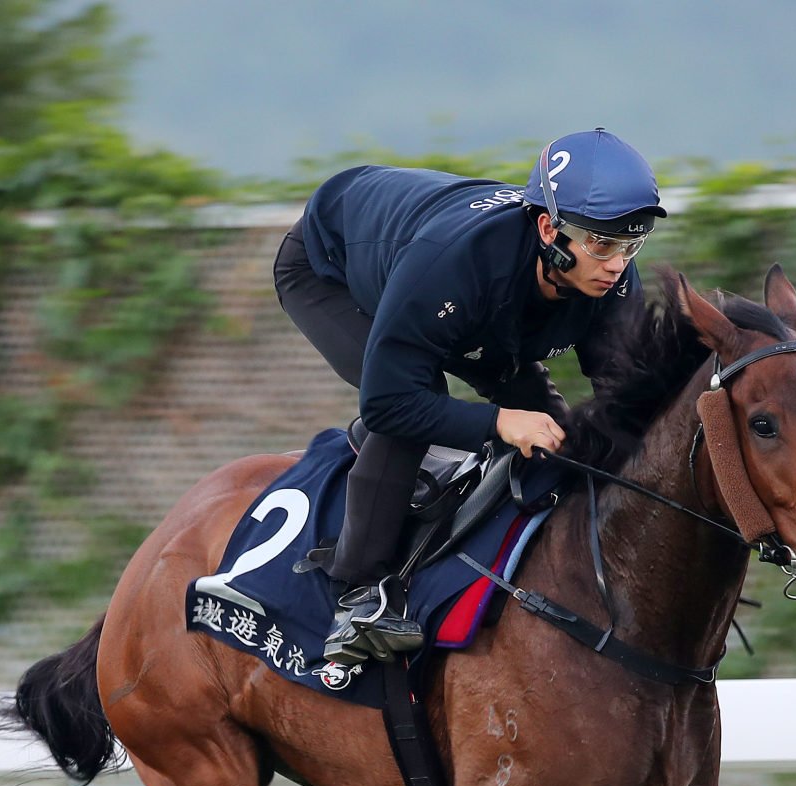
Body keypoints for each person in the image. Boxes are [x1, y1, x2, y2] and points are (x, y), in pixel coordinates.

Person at [273, 127, 667, 667]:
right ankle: (360, 594)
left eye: (630, 244)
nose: (617, 264)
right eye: (602, 245)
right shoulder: (454, 264)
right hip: (334, 271)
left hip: (477, 307)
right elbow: (389, 403)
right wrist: (499, 422)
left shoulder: (611, 274)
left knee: (553, 433)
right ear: (550, 229)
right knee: (417, 402)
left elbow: (627, 404)